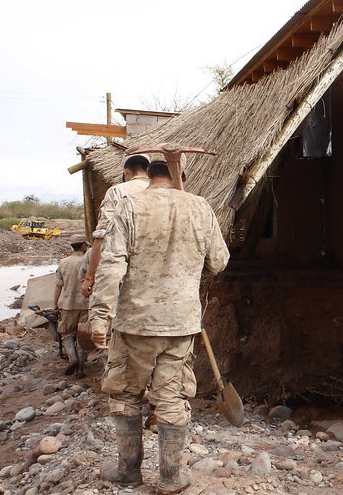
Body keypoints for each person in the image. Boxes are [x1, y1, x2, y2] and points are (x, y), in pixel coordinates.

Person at [89, 157, 230, 494]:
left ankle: (128, 471)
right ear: (179, 175)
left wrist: (99, 316)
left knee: (125, 396)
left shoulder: (128, 207)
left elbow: (111, 267)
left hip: (134, 324)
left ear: (148, 175)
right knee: (171, 399)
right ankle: (170, 478)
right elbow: (219, 261)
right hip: (181, 324)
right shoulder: (200, 207)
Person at [81, 152, 151, 298]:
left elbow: (102, 236)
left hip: (125, 272)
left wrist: (89, 277)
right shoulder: (164, 193)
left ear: (126, 172)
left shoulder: (118, 191)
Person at [53, 234, 90, 378]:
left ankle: (72, 358)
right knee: (83, 335)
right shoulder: (89, 261)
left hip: (68, 304)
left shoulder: (63, 262)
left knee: (66, 333)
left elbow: (58, 286)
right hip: (87, 304)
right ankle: (80, 369)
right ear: (82, 246)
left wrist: (55, 304)